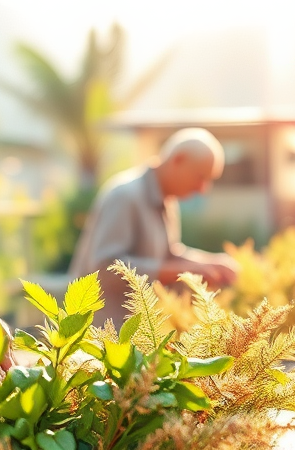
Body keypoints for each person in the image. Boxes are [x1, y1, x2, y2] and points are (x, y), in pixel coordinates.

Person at [68, 127, 238, 324]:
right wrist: (181, 272)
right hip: (98, 334)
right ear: (178, 160)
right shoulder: (125, 196)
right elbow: (105, 268)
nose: (203, 189)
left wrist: (208, 263)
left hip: (134, 334)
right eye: (200, 177)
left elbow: (168, 255)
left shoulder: (168, 200)